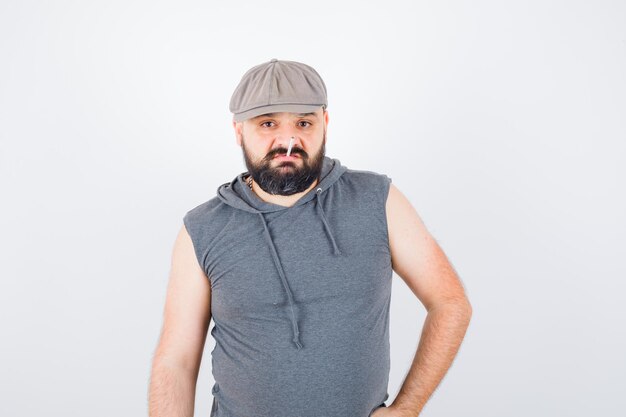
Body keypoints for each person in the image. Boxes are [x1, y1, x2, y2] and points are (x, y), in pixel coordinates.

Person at [148, 58, 472, 417]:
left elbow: (450, 303)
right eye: (267, 124)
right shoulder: (203, 228)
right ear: (239, 130)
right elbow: (175, 361)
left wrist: (407, 407)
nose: (288, 141)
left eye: (304, 123)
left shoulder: (377, 200)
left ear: (325, 124)